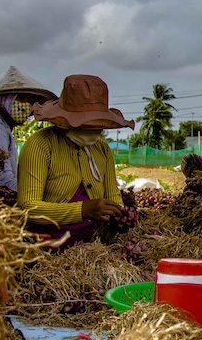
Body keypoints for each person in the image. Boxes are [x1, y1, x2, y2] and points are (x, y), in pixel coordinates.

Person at [17, 75, 134, 247]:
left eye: (95, 126)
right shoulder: (40, 145)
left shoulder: (101, 149)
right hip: (48, 246)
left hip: (94, 247)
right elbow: (29, 208)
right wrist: (83, 210)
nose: (92, 131)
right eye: (85, 125)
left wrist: (117, 211)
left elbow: (113, 196)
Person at [0, 66, 56, 192]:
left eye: (29, 101)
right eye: (21, 98)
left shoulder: (2, 125)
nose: (26, 105)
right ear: (6, 98)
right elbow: (1, 179)